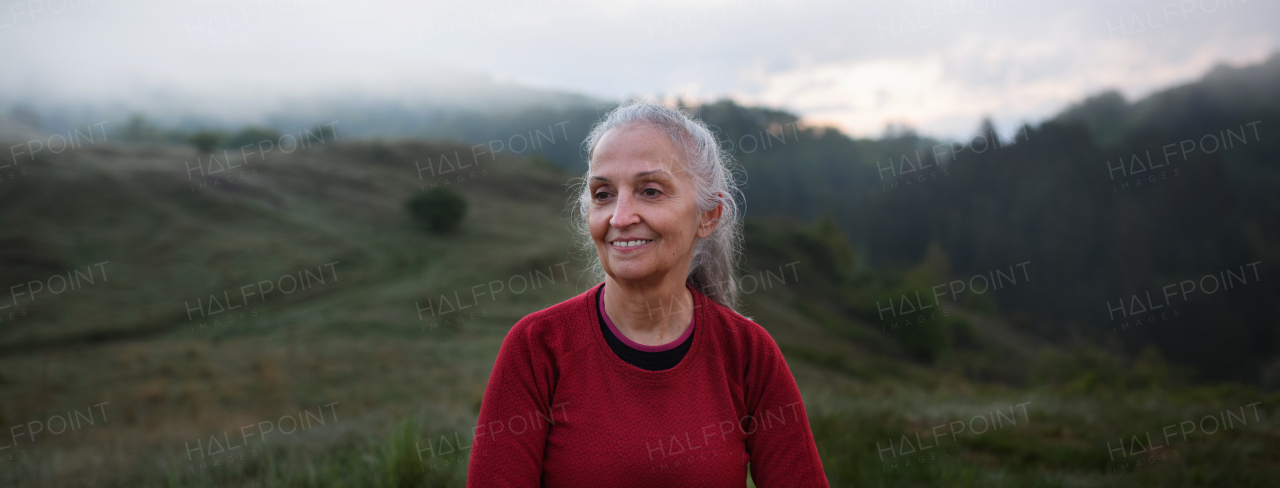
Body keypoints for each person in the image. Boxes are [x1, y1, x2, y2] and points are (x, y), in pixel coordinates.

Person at [466, 100, 829, 487]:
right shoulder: (537, 348)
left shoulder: (748, 354)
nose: (620, 217)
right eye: (603, 194)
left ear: (707, 216)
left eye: (650, 191)